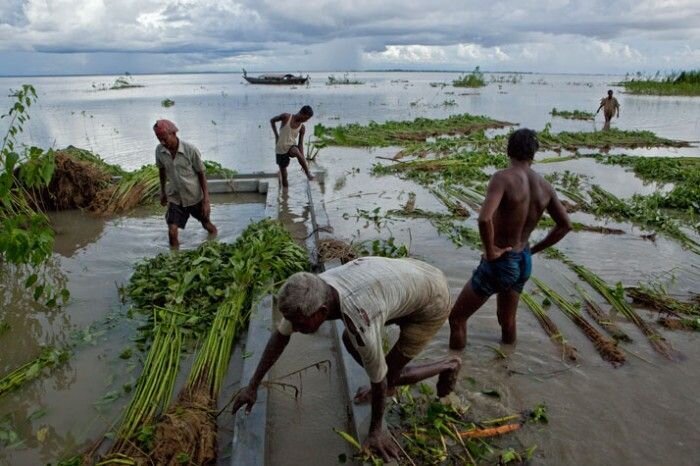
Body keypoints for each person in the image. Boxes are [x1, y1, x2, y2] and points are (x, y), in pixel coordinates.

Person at [232, 257, 462, 461]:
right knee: (348, 340)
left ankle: (449, 364)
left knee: (389, 378)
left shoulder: (359, 319)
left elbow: (379, 380)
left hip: (432, 301)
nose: (297, 329)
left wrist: (375, 432)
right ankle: (393, 381)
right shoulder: (313, 288)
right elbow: (280, 338)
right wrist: (252, 386)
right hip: (410, 277)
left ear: (322, 311)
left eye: (301, 324)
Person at [449, 129, 572, 349]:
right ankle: (507, 368)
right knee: (507, 322)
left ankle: (452, 370)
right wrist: (532, 250)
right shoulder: (545, 186)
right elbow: (565, 225)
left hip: (501, 262)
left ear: (509, 150)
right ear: (533, 153)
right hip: (523, 260)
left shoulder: (503, 178)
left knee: (457, 319)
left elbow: (484, 219)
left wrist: (491, 252)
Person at [153, 119, 217, 248]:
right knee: (172, 231)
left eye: (165, 138)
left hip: (194, 196)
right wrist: (163, 192)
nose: (162, 142)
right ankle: (175, 260)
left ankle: (215, 240)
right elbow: (162, 170)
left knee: (207, 225)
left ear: (173, 134)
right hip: (175, 197)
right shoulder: (159, 151)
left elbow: (201, 174)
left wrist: (206, 201)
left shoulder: (190, 150)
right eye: (159, 139)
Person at [270, 105, 315, 188]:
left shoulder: (302, 127)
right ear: (302, 113)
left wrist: (303, 161)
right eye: (306, 118)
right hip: (280, 149)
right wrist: (276, 135)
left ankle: (307, 173)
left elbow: (300, 144)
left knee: (296, 151)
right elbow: (272, 120)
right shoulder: (286, 117)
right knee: (284, 177)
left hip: (291, 147)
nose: (306, 121)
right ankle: (285, 196)